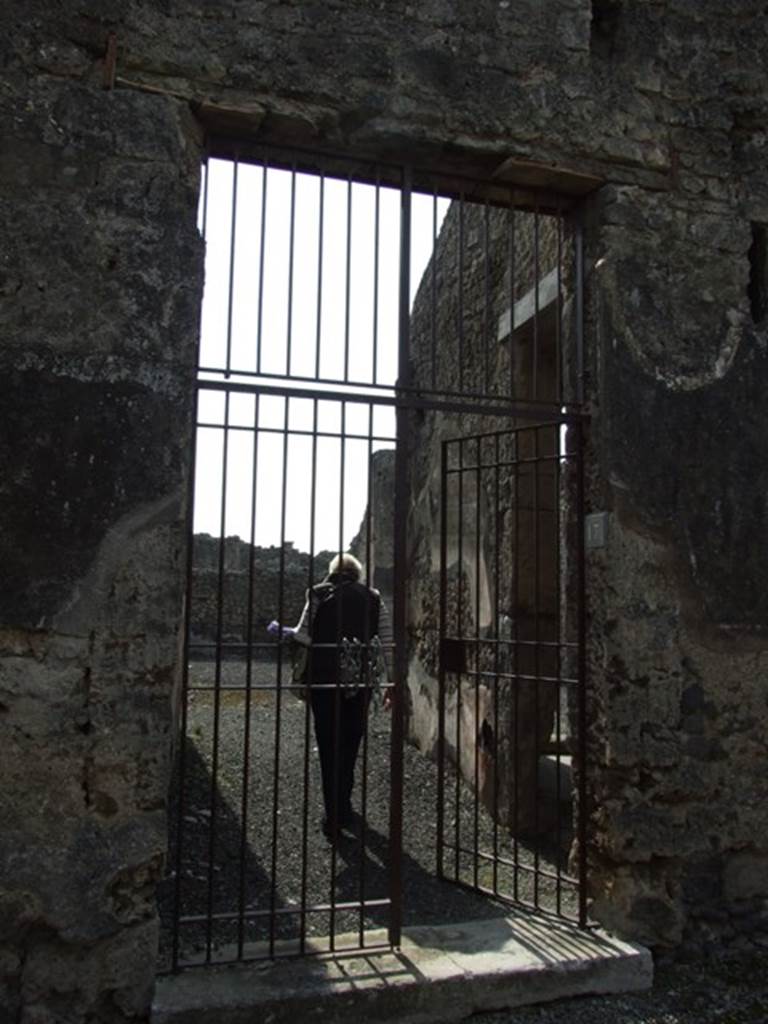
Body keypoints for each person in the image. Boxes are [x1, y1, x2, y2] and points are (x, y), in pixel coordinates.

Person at [270, 553, 392, 841]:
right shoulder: (373, 598)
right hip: (360, 680)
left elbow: (304, 636)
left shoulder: (317, 593)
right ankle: (345, 805)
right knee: (351, 743)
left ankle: (332, 815)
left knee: (328, 744)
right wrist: (392, 682)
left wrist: (285, 632)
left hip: (324, 679)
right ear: (357, 573)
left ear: (333, 572)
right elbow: (386, 640)